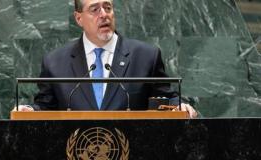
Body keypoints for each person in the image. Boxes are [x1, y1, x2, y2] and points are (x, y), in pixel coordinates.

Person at [17, 0, 198, 118]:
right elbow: (46, 107)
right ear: (78, 18)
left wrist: (179, 106)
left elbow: (165, 99)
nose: (103, 14)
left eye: (107, 7)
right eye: (95, 10)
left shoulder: (146, 56)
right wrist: (30, 111)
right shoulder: (55, 62)